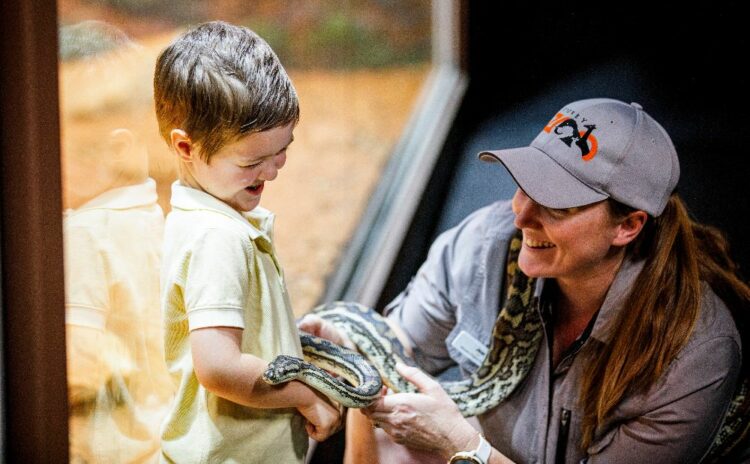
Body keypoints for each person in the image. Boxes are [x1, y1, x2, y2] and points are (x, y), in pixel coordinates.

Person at [302, 98, 749, 463]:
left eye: (556, 204)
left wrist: (463, 446)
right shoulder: (485, 244)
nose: (521, 214)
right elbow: (399, 349)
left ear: (627, 227)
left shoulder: (694, 355)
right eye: (525, 183)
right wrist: (346, 341)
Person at [154, 21, 341, 463]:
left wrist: (284, 337)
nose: (273, 172)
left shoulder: (200, 214)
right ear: (186, 147)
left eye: (282, 152)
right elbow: (218, 366)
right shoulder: (219, 237)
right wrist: (306, 396)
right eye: (253, 160)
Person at [60, 20, 174, 463]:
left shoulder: (84, 234)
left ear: (118, 149)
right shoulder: (152, 216)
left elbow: (78, 365)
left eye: (56, 145)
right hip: (158, 440)